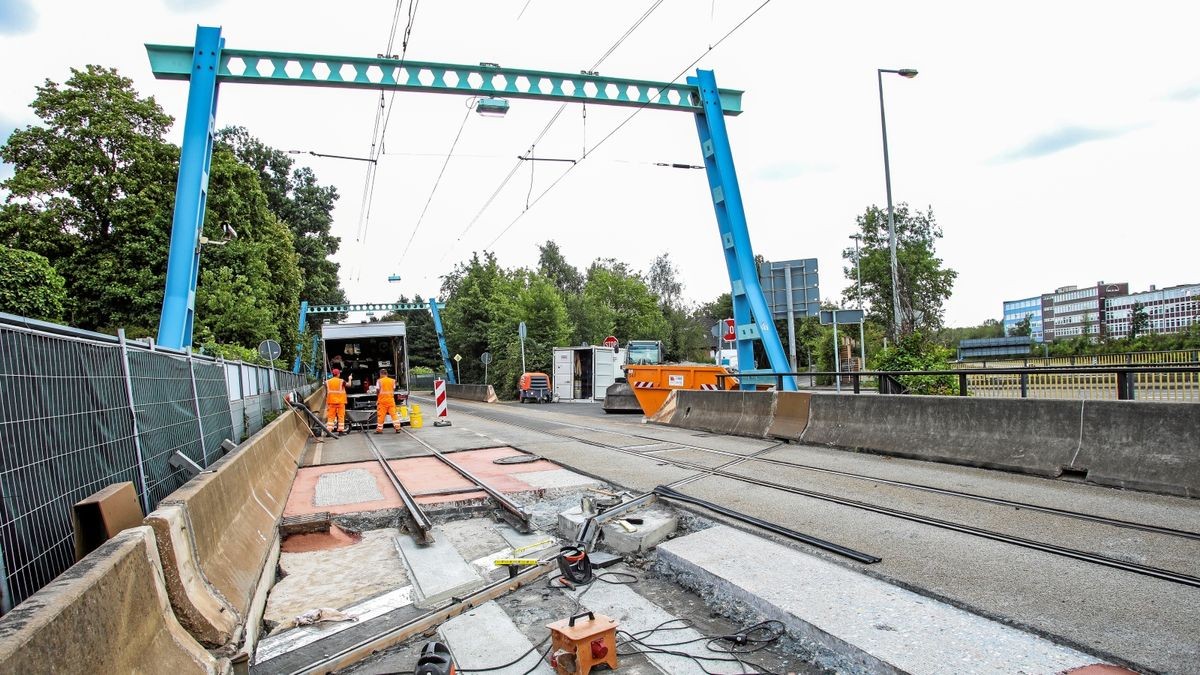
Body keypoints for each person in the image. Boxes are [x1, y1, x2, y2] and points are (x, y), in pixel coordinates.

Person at [375, 368, 403, 434]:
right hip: (391, 400)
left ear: (380, 374)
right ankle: (397, 428)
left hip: (382, 401)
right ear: (387, 374)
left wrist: (378, 398)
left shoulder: (379, 381)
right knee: (394, 415)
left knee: (381, 416)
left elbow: (377, 390)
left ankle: (379, 430)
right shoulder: (392, 381)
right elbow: (393, 389)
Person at [325, 368, 347, 433]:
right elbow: (349, 385)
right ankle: (340, 431)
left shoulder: (327, 382)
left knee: (330, 417)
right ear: (338, 374)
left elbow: (326, 390)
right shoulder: (341, 381)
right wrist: (350, 379)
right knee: (340, 416)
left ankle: (329, 432)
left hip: (331, 402)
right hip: (340, 402)